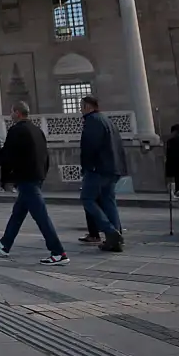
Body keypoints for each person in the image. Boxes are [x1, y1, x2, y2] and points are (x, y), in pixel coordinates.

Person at [0, 102, 67, 264]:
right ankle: (5, 243)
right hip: (36, 177)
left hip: (26, 178)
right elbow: (45, 155)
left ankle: (58, 252)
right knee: (18, 213)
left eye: (12, 112)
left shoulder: (17, 131)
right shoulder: (37, 130)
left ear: (17, 113)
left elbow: (6, 153)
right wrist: (42, 174)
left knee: (41, 216)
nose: (11, 115)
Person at [79, 96, 126, 252]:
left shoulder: (92, 121)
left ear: (88, 106)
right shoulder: (107, 120)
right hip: (112, 168)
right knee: (108, 201)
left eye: (81, 106)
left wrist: (87, 166)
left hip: (98, 169)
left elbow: (89, 146)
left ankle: (110, 231)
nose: (80, 109)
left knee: (87, 198)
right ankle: (116, 239)